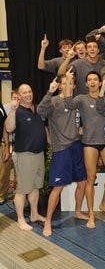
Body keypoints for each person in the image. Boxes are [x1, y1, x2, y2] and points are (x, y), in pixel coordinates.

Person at [37, 71, 88, 237]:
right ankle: (48, 222)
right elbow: (40, 111)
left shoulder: (77, 102)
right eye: (64, 82)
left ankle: (78, 211)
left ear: (74, 85)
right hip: (62, 150)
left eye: (70, 82)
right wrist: (49, 92)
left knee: (82, 182)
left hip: (76, 146)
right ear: (60, 85)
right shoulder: (53, 101)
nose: (67, 85)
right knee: (57, 187)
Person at [64, 71, 105, 228]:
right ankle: (91, 214)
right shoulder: (81, 98)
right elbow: (68, 104)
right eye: (89, 80)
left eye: (95, 79)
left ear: (100, 83)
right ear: (86, 84)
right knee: (90, 177)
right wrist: (67, 81)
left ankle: (104, 203)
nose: (92, 82)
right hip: (89, 143)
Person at [5, 84, 47, 230]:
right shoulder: (17, 111)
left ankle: (34, 214)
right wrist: (12, 110)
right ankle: (21, 219)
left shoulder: (35, 109)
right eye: (25, 93)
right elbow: (9, 128)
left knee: (35, 187)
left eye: (30, 91)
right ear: (19, 95)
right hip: (24, 155)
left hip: (38, 154)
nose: (28, 94)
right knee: (22, 189)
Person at [0, 97, 10, 205]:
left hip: (2, 145)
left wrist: (6, 146)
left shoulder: (1, 106)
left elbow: (5, 126)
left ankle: (2, 195)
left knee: (3, 172)